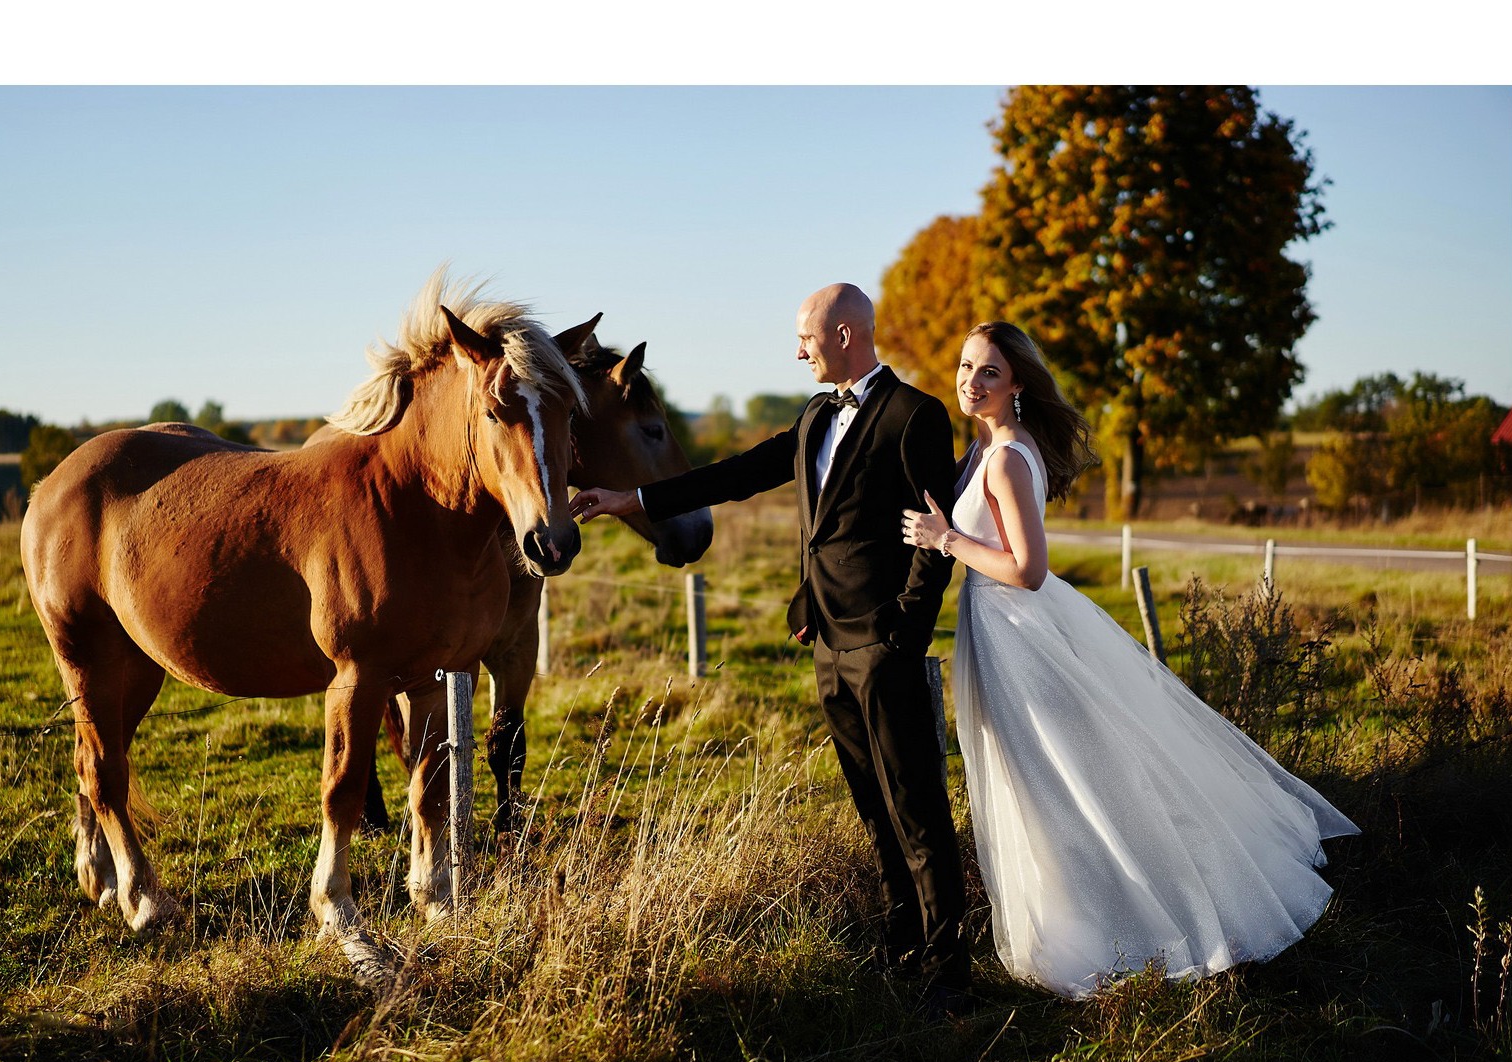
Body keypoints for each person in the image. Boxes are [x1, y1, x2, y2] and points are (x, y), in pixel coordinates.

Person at [900, 322, 1360, 999]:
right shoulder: (982, 448)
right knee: (1043, 784)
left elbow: (1027, 569)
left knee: (1068, 784)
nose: (971, 380)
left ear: (1018, 383)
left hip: (1024, 636)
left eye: (990, 372)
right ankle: (1075, 924)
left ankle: (1131, 929)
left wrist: (945, 539)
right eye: (966, 366)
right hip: (998, 635)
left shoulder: (1004, 459)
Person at [572, 283, 972, 1016]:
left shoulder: (916, 416)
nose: (798, 351)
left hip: (883, 644)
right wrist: (636, 500)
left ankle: (951, 971)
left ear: (847, 334)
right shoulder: (817, 414)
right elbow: (744, 474)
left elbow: (934, 537)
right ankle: (903, 941)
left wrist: (902, 632)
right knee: (872, 807)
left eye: (806, 338)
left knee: (917, 808)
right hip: (827, 643)